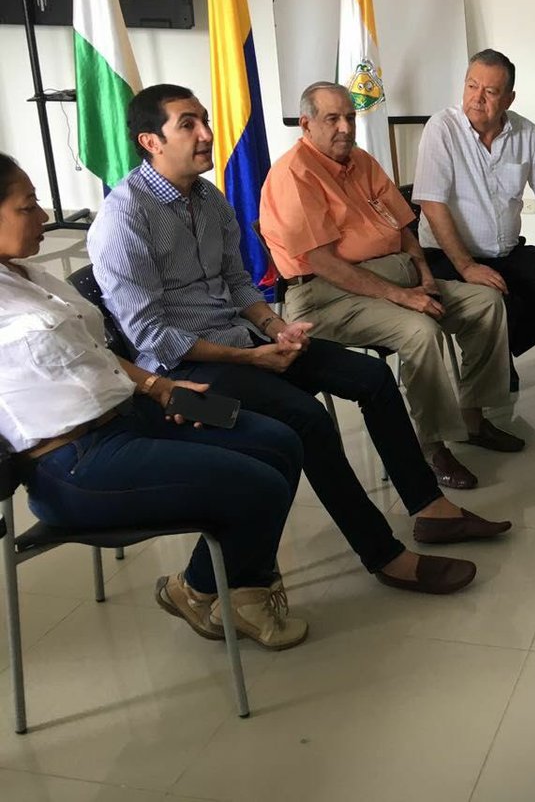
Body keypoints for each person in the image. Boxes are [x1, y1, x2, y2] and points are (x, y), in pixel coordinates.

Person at [87, 84, 509, 599]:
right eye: (188, 125)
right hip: (185, 381)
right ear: (150, 141)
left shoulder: (210, 198)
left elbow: (240, 284)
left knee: (373, 377)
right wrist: (250, 356)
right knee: (305, 419)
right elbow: (152, 336)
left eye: (205, 120)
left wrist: (273, 328)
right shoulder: (124, 216)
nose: (206, 134)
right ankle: (385, 555)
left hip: (246, 341)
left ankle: (429, 508)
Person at [0, 153, 308, 649]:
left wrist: (161, 387)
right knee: (257, 484)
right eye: (27, 206)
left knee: (280, 440)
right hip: (76, 458)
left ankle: (226, 587)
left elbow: (96, 352)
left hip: (140, 407)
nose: (43, 217)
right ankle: (209, 589)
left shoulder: (31, 278)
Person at [260, 82, 521, 491]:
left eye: (350, 116)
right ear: (306, 125)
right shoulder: (294, 175)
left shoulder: (361, 161)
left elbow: (404, 229)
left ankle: (473, 418)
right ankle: (431, 446)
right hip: (326, 295)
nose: (346, 127)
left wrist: (427, 278)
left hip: (395, 276)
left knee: (486, 302)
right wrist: (404, 297)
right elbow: (324, 263)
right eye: (333, 119)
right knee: (421, 330)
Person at [414, 49, 535, 391]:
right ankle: (491, 364)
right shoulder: (442, 129)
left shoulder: (524, 132)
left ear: (508, 98)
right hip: (449, 257)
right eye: (471, 86)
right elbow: (432, 205)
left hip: (507, 253)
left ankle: (495, 355)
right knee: (499, 303)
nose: (477, 99)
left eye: (490, 92)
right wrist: (466, 267)